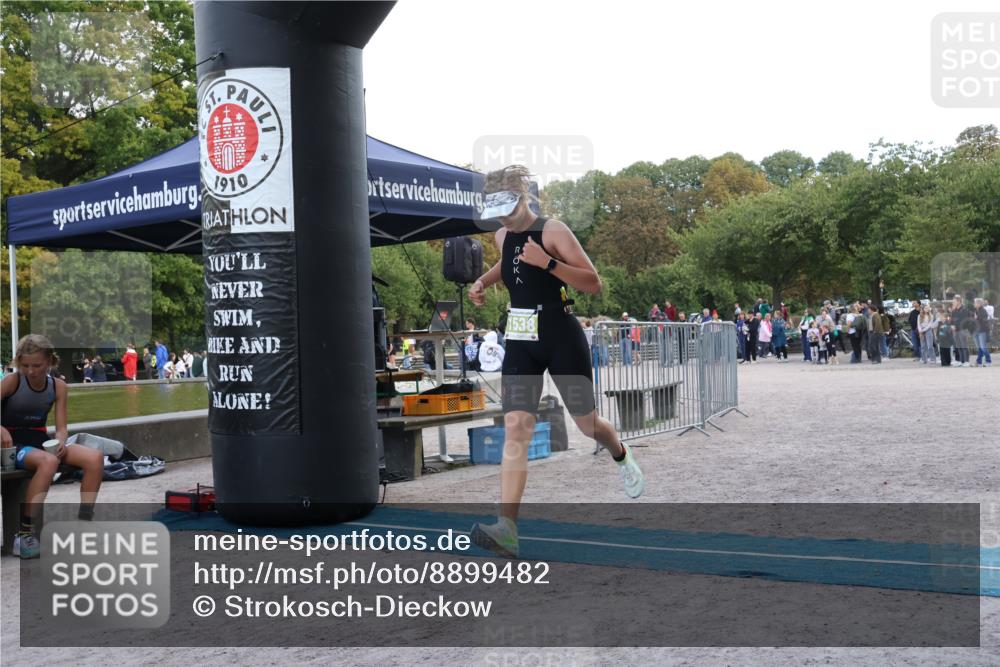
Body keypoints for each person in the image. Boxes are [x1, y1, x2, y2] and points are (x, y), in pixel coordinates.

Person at [466, 165, 644, 558]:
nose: (503, 220)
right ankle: (507, 528)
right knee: (516, 428)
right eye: (496, 212)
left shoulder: (553, 231)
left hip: (561, 335)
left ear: (524, 196)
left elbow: (592, 282)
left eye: (508, 210)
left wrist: (547, 263)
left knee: (587, 426)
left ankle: (621, 453)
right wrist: (484, 281)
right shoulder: (502, 235)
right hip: (521, 340)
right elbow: (510, 262)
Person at [1, 335, 104, 558]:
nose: (30, 371)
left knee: (95, 458)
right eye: (25, 365)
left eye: (36, 365)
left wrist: (61, 442)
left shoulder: (58, 386)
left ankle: (84, 523)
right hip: (10, 446)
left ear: (49, 361)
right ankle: (24, 534)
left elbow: (61, 427)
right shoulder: (12, 381)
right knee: (49, 461)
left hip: (39, 441)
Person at [974, 298, 993, 367]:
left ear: (979, 304)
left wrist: (977, 317)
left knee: (983, 347)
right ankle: (979, 362)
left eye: (975, 303)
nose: (974, 304)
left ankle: (988, 361)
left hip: (982, 331)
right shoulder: (976, 310)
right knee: (979, 348)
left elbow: (984, 321)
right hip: (976, 331)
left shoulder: (983, 311)